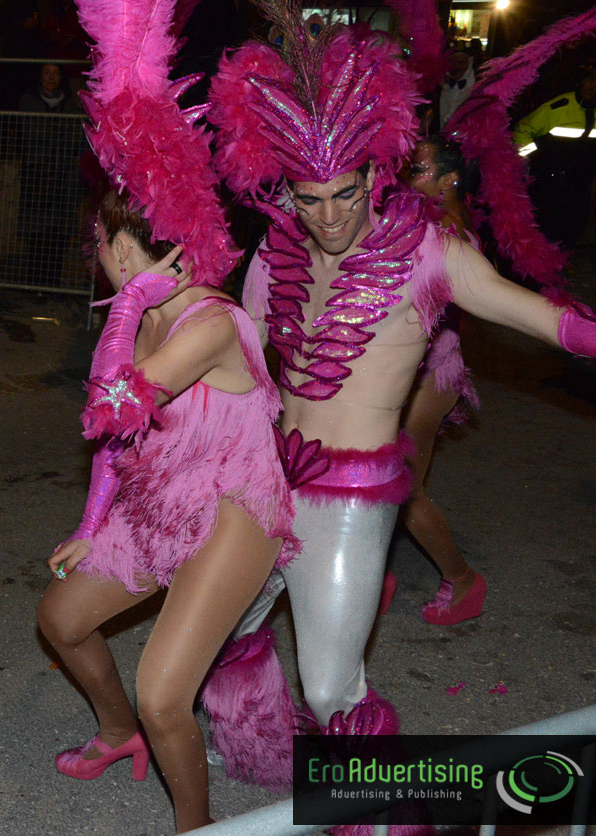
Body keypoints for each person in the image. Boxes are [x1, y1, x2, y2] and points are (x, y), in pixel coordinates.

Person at [206, 6, 596, 806]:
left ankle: (389, 814)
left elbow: (539, 317)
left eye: (343, 196)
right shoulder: (274, 248)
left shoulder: (430, 254)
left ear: (374, 176)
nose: (327, 217)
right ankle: (258, 752)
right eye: (306, 199)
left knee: (329, 694)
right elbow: (242, 364)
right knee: (226, 633)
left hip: (348, 501)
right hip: (265, 479)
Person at [37, 5, 296, 832]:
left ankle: (195, 824)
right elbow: (118, 440)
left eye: (105, 241)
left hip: (232, 510)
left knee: (162, 691)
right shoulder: (145, 309)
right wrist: (92, 522)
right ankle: (117, 735)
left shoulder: (207, 323)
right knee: (61, 619)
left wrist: (128, 306)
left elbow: (110, 402)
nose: (97, 249)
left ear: (131, 252)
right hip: (160, 502)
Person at [396, 136, 485, 624]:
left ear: (450, 179)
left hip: (431, 375)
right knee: (373, 473)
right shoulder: (427, 223)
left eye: (420, 168)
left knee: (404, 490)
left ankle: (464, 579)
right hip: (409, 372)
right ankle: (373, 574)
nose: (409, 175)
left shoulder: (447, 233)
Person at [514, 61, 596, 247]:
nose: (594, 86)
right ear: (581, 80)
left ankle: (564, 260)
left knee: (574, 224)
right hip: (551, 182)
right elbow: (522, 130)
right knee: (547, 226)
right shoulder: (558, 107)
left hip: (581, 184)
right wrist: (533, 159)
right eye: (591, 79)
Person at [17, 63, 84, 287]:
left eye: (55, 73)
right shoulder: (29, 100)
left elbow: (76, 135)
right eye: (46, 72)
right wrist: (59, 133)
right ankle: (34, 282)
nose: (51, 78)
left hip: (63, 174)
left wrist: (55, 134)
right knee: (37, 232)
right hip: (38, 173)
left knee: (59, 232)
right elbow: (33, 132)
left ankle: (52, 282)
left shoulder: (70, 104)